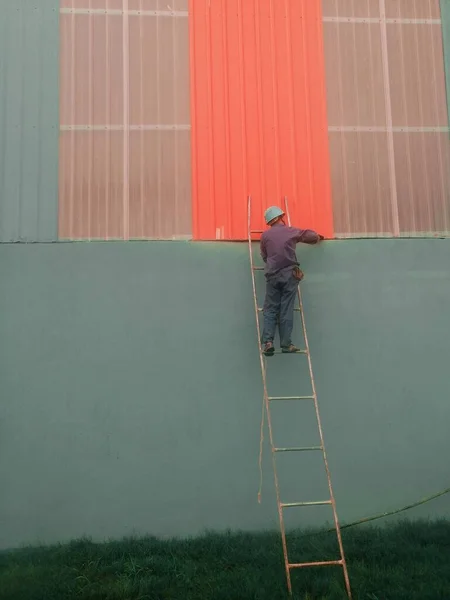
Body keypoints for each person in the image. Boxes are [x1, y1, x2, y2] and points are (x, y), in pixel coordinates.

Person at [260, 206, 324, 357]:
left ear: (269, 222)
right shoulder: (291, 231)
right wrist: (317, 237)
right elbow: (307, 235)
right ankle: (286, 344)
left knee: (270, 309)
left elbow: (264, 256)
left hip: (272, 276)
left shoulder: (265, 236)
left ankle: (268, 342)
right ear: (281, 217)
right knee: (286, 308)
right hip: (289, 275)